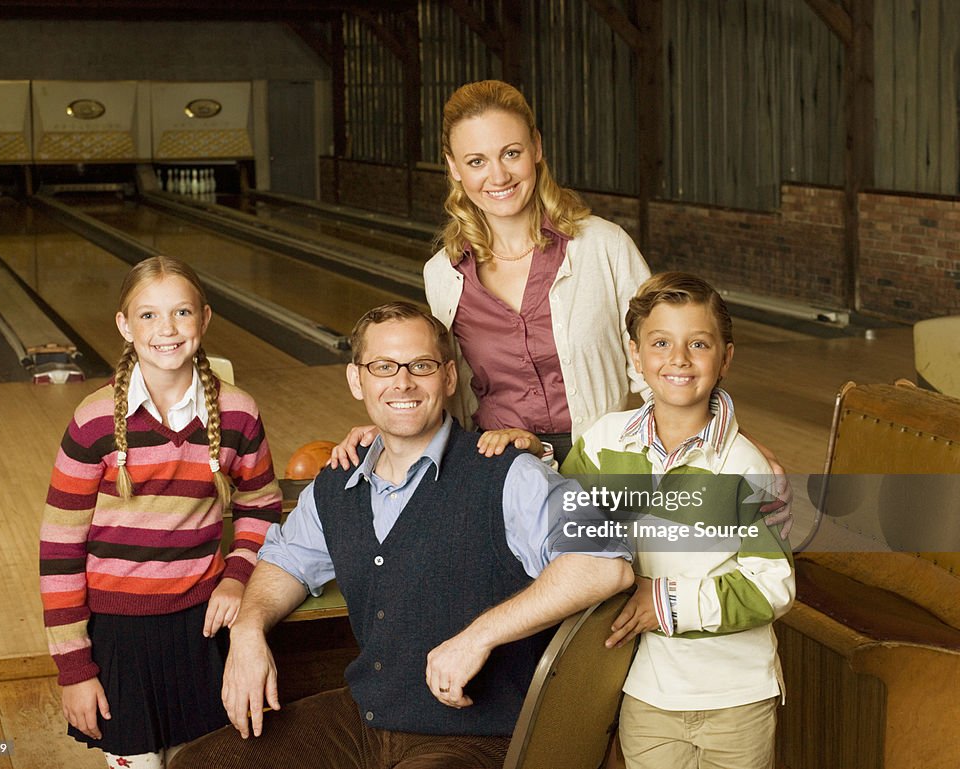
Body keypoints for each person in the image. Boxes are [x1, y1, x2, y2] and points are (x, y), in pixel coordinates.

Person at [176, 302, 633, 769]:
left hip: (476, 736)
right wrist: (249, 630)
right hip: (368, 720)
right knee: (199, 763)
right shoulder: (335, 484)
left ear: (449, 378)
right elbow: (285, 560)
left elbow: (604, 563)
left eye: (421, 365)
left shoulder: (509, 473)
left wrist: (477, 637)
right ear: (358, 380)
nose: (403, 382)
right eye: (383, 367)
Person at [330, 80, 792, 537]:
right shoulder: (444, 273)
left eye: (510, 152)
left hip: (604, 466)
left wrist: (727, 441)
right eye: (476, 161)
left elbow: (665, 360)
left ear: (536, 147)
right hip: (498, 469)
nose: (498, 176)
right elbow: (443, 388)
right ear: (453, 168)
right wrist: (385, 435)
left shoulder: (602, 246)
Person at [38, 256, 283, 769]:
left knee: (207, 760)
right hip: (118, 637)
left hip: (203, 625)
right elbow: (59, 552)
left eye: (181, 313)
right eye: (148, 315)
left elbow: (261, 506)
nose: (167, 329)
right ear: (125, 327)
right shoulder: (93, 421)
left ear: (205, 319)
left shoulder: (238, 412)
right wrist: (75, 669)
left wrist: (237, 576)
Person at [561, 272, 796, 769]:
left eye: (699, 344)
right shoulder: (604, 443)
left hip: (738, 696)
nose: (679, 359)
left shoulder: (748, 466)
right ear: (635, 354)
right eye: (661, 342)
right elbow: (565, 536)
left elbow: (772, 586)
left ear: (725, 357)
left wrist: (662, 599)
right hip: (645, 692)